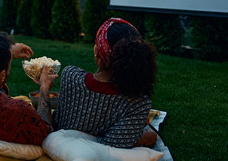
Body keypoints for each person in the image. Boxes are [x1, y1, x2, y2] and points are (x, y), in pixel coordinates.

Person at [52, 18, 158, 148]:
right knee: (151, 136)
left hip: (58, 146)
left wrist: (45, 89)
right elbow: (112, 146)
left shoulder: (70, 75)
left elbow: (52, 124)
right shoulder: (138, 103)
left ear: (97, 52)